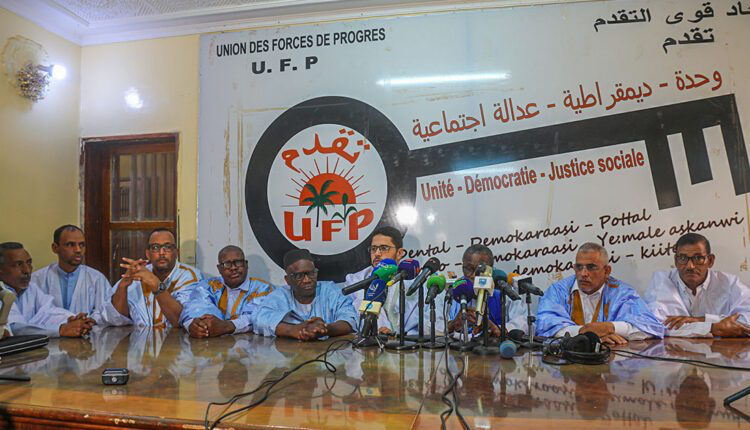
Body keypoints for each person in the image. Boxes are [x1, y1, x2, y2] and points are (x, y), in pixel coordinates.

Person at [536, 242, 663, 345]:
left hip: (611, 361)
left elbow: (651, 327)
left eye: (591, 267)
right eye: (579, 267)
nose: (583, 274)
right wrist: (586, 333)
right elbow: (544, 324)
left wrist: (610, 327)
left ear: (607, 271)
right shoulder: (558, 291)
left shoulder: (622, 293)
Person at [343, 226, 445, 335]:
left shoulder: (421, 280)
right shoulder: (357, 280)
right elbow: (350, 318)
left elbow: (435, 324)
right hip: (371, 342)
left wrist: (400, 337)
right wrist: (379, 330)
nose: (377, 253)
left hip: (411, 342)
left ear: (399, 253)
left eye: (384, 248)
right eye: (373, 249)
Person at [644, 233, 750, 337]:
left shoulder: (729, 283)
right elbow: (655, 324)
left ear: (710, 260)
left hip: (723, 348)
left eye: (698, 258)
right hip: (676, 348)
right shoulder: (662, 280)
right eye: (683, 258)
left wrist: (700, 320)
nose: (690, 266)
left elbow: (747, 320)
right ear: (676, 261)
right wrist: (713, 328)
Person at [254, 249, 357, 340]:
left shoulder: (330, 291)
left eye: (311, 273)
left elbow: (350, 319)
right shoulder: (280, 296)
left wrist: (325, 329)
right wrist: (293, 330)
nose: (307, 280)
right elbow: (259, 319)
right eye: (299, 276)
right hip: (292, 354)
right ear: (287, 280)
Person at [109, 228, 203, 327]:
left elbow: (182, 321)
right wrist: (123, 286)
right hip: (141, 336)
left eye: (168, 247)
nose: (162, 252)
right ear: (148, 254)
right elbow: (116, 319)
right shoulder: (138, 274)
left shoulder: (191, 276)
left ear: (176, 252)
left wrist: (156, 285)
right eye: (155, 247)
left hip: (177, 337)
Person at [0, 242, 94, 337]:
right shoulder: (2, 292)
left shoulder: (31, 288)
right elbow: (13, 328)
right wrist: (61, 330)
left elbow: (48, 312)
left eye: (29, 263)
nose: (27, 270)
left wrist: (72, 319)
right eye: (18, 264)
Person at [181, 245, 274, 338]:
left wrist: (227, 326)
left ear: (246, 265)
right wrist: (194, 326)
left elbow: (257, 317)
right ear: (219, 269)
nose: (233, 268)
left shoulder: (263, 289)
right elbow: (193, 309)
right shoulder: (208, 286)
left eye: (238, 262)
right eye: (227, 264)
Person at [31, 225, 112, 325]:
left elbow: (107, 312)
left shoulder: (97, 279)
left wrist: (88, 320)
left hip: (88, 333)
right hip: (51, 334)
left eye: (82, 245)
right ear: (55, 248)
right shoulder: (37, 279)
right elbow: (31, 317)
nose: (78, 250)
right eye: (70, 244)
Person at [446, 244, 526, 337]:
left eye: (479, 270)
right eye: (468, 269)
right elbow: (436, 327)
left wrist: (496, 328)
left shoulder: (504, 292)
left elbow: (524, 323)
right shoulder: (454, 291)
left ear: (490, 270)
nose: (473, 275)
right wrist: (453, 325)